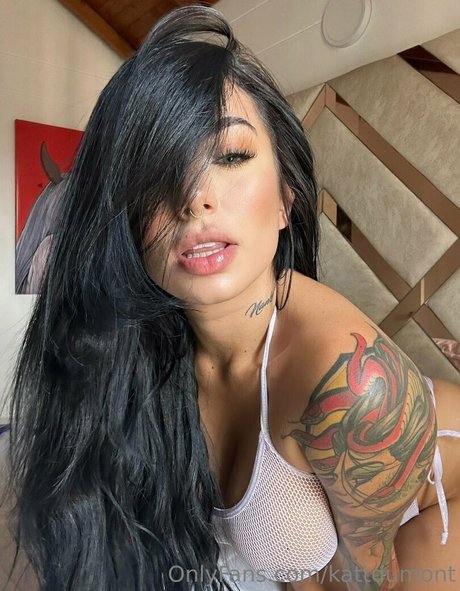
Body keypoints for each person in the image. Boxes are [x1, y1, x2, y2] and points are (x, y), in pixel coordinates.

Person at [0, 5, 459, 591]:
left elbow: (365, 577)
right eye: (157, 172)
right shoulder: (138, 348)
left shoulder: (353, 386)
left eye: (231, 155)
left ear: (287, 200)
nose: (194, 199)